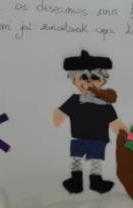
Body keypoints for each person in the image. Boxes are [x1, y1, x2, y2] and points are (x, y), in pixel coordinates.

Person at [53, 49, 127, 194]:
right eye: (83, 77)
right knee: (77, 159)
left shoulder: (105, 104)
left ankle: (96, 182)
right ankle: (76, 181)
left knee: (96, 161)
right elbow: (60, 114)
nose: (88, 81)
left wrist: (124, 133)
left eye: (94, 77)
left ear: (103, 81)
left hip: (99, 138)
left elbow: (114, 122)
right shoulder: (74, 100)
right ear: (75, 80)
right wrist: (57, 119)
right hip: (79, 137)